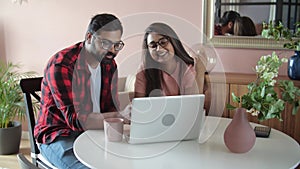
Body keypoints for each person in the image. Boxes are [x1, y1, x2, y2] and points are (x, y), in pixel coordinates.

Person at [34, 13, 129, 168]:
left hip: (93, 133)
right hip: (59, 135)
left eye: (117, 45)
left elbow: (110, 108)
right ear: (89, 37)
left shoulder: (109, 65)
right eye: (105, 43)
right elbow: (76, 120)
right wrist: (121, 116)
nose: (112, 50)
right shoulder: (62, 65)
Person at [134, 22, 206, 98]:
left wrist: (200, 71)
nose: (159, 49)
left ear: (173, 42)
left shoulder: (187, 68)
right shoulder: (144, 70)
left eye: (163, 42)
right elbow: (139, 104)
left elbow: (191, 103)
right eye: (153, 45)